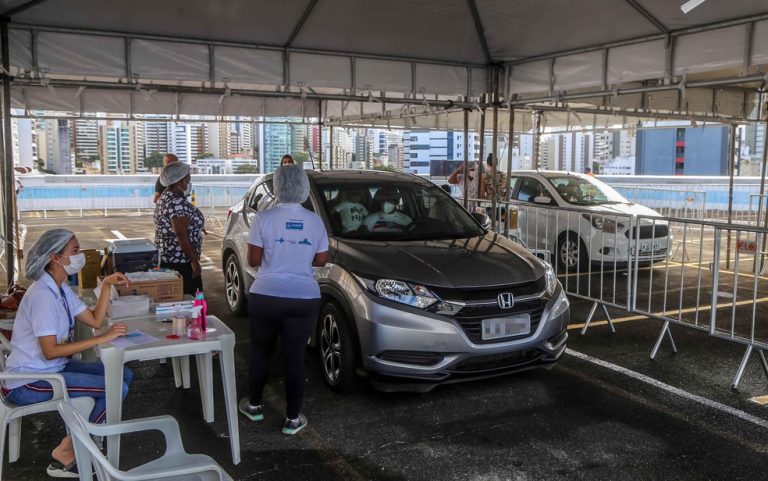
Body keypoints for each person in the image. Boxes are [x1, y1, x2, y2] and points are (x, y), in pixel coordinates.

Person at [3, 229, 132, 478]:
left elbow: (95, 320)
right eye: (75, 251)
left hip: (51, 369)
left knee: (123, 373)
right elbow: (50, 351)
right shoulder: (43, 296)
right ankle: (75, 450)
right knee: (116, 387)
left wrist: (106, 284)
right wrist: (102, 338)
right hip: (28, 381)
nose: (80, 255)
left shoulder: (59, 289)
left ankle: (74, 444)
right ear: (55, 257)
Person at [239, 164, 329, 435]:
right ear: (304, 188)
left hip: (266, 295)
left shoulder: (263, 218)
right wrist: (298, 256)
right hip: (304, 297)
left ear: (277, 187)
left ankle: (254, 406)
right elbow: (321, 260)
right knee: (295, 357)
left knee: (261, 352)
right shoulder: (315, 221)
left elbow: (253, 260)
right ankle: (292, 419)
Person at [154, 161, 205, 296]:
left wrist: (197, 227)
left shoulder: (165, 198)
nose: (188, 184)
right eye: (187, 181)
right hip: (181, 263)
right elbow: (181, 234)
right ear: (178, 182)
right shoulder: (176, 202)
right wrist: (194, 262)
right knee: (193, 299)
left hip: (169, 260)